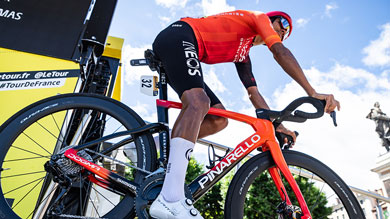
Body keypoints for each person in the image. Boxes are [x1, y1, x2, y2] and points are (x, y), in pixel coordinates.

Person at [145, 10, 341, 218]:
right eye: (282, 22)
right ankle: (170, 199)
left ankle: (149, 145)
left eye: (288, 31)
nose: (284, 29)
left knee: (219, 119)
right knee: (198, 102)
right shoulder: (259, 18)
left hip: (182, 45)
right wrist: (312, 93)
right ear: (270, 20)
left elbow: (254, 94)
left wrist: (277, 126)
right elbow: (280, 52)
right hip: (181, 36)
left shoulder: (243, 54)